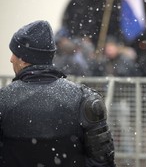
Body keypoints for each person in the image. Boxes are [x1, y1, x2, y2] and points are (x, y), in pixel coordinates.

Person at [0, 20, 116, 167]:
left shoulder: (3, 100)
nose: (11, 59)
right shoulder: (84, 99)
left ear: (23, 59)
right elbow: (102, 161)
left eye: (14, 54)